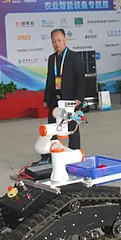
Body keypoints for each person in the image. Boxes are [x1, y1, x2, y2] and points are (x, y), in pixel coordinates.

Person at [38, 28, 85, 164]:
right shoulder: (51, 58)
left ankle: (75, 156)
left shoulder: (74, 57)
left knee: (72, 128)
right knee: (52, 127)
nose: (56, 43)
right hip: (55, 99)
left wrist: (79, 98)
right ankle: (49, 155)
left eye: (59, 40)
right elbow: (49, 79)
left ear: (65, 40)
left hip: (70, 99)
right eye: (54, 41)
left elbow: (80, 79)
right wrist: (46, 98)